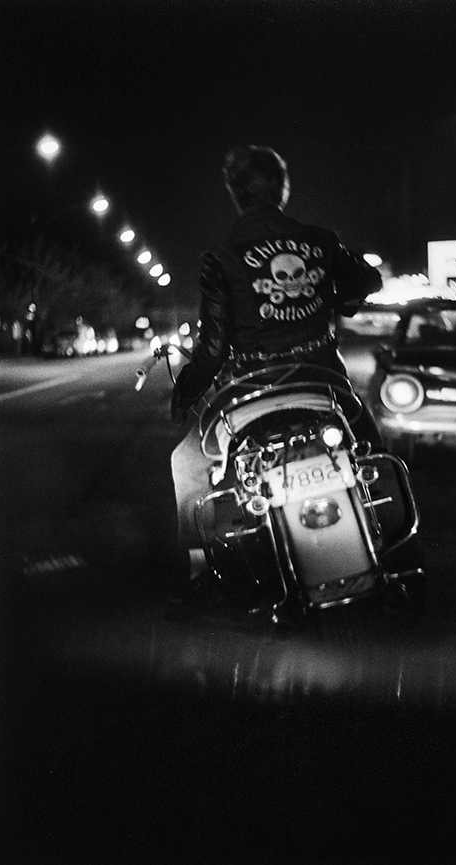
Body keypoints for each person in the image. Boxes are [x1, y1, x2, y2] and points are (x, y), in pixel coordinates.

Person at [169, 145, 383, 605]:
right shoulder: (321, 240)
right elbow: (368, 281)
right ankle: (397, 547)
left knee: (187, 464)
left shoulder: (222, 255)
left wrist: (186, 390)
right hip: (323, 383)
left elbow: (212, 348)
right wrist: (338, 296)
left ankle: (202, 572)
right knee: (375, 454)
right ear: (283, 188)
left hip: (250, 391)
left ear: (235, 193)